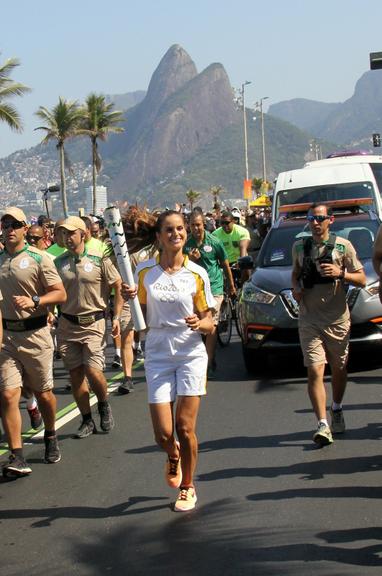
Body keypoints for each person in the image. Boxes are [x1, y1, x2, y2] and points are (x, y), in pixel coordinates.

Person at [122, 209, 215, 512]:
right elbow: (140, 313)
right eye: (170, 230)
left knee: (185, 427)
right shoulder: (145, 272)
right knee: (164, 433)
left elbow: (210, 321)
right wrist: (130, 297)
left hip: (190, 353)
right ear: (159, 237)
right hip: (158, 352)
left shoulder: (197, 274)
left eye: (180, 229)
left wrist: (198, 325)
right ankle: (173, 454)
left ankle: (187, 486)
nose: (176, 234)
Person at [291, 203, 366, 446]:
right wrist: (296, 289)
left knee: (339, 368)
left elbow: (362, 278)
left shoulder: (343, 247)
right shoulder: (300, 246)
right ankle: (322, 424)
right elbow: (295, 273)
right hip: (309, 318)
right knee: (315, 369)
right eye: (311, 218)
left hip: (336, 319)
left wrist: (340, 273)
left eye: (320, 218)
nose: (315, 222)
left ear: (330, 220)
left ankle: (337, 407)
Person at [0, 207, 67, 477]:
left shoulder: (39, 258)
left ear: (25, 229)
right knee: (7, 394)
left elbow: (60, 293)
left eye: (15, 224)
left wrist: (36, 301)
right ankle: (17, 456)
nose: (10, 229)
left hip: (36, 335)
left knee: (44, 394)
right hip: (9, 338)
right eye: (5, 224)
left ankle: (51, 434)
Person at [54, 217, 122, 438]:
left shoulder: (99, 259)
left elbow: (117, 285)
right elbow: (52, 290)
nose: (67, 238)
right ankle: (86, 419)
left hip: (93, 323)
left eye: (71, 233)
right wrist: (48, 313)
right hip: (67, 324)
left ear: (83, 234)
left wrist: (117, 315)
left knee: (93, 371)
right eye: (63, 234)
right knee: (75, 375)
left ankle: (103, 403)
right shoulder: (59, 263)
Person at [184, 209, 236, 378]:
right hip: (194, 289)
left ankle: (208, 362)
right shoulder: (186, 244)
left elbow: (225, 263)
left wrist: (231, 285)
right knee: (198, 326)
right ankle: (200, 357)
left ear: (203, 225)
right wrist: (190, 259)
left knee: (211, 324)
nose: (195, 228)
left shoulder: (214, 241)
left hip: (214, 288)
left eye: (198, 225)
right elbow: (180, 265)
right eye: (192, 225)